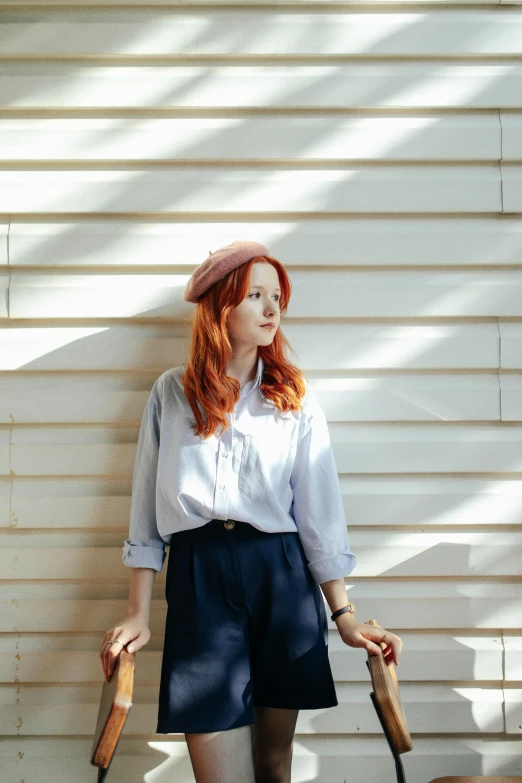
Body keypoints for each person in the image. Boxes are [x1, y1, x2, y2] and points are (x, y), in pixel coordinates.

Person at [100, 240, 402, 783]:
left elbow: (318, 514)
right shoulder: (172, 393)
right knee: (220, 774)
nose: (271, 309)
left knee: (272, 765)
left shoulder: (293, 395)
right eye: (255, 295)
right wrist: (138, 612)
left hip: (281, 577)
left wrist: (345, 615)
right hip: (199, 578)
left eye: (276, 297)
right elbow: (146, 512)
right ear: (221, 307)